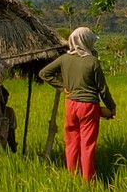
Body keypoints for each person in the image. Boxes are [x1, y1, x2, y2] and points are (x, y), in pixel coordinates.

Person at [39, 26, 116, 182]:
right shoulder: (92, 61)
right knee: (87, 145)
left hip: (71, 104)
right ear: (86, 41)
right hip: (89, 106)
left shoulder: (64, 59)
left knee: (71, 143)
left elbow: (44, 73)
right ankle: (88, 181)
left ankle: (72, 178)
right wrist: (112, 107)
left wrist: (63, 87)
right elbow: (102, 89)